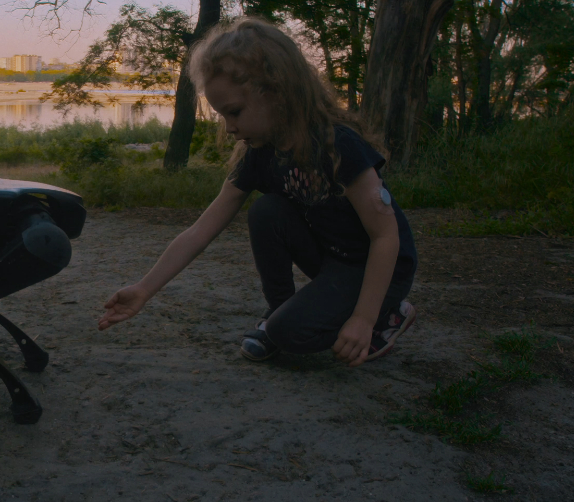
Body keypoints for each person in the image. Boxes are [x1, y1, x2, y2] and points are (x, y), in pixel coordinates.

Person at [99, 18, 418, 367]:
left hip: (377, 266)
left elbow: (386, 236)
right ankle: (279, 309)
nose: (230, 127)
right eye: (223, 116)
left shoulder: (338, 145)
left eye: (234, 112)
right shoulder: (260, 154)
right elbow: (200, 230)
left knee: (291, 334)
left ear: (277, 92)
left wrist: (363, 319)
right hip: (331, 259)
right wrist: (145, 289)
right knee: (266, 210)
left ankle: (388, 314)